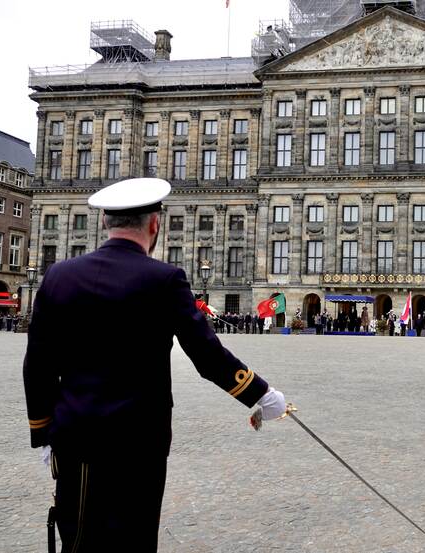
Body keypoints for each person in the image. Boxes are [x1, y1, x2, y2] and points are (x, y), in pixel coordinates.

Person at [22, 178, 287, 552]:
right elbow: (206, 355)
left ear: (104, 222)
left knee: (79, 541)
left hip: (76, 437)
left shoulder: (58, 275)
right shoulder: (164, 279)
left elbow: (38, 365)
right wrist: (261, 393)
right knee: (134, 541)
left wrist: (43, 433)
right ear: (155, 224)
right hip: (139, 443)